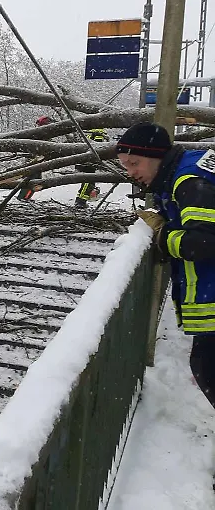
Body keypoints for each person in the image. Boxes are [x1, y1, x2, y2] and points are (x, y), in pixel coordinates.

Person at [116, 121, 215, 410]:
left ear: (157, 156)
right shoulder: (187, 171)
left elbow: (204, 241)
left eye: (134, 162)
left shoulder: (190, 182)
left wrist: (163, 235)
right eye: (125, 165)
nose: (130, 172)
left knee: (207, 367)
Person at [74, 127, 110, 209]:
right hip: (89, 162)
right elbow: (98, 146)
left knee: (89, 182)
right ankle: (80, 202)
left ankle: (81, 201)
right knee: (88, 182)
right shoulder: (98, 132)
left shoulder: (88, 131)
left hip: (84, 160)